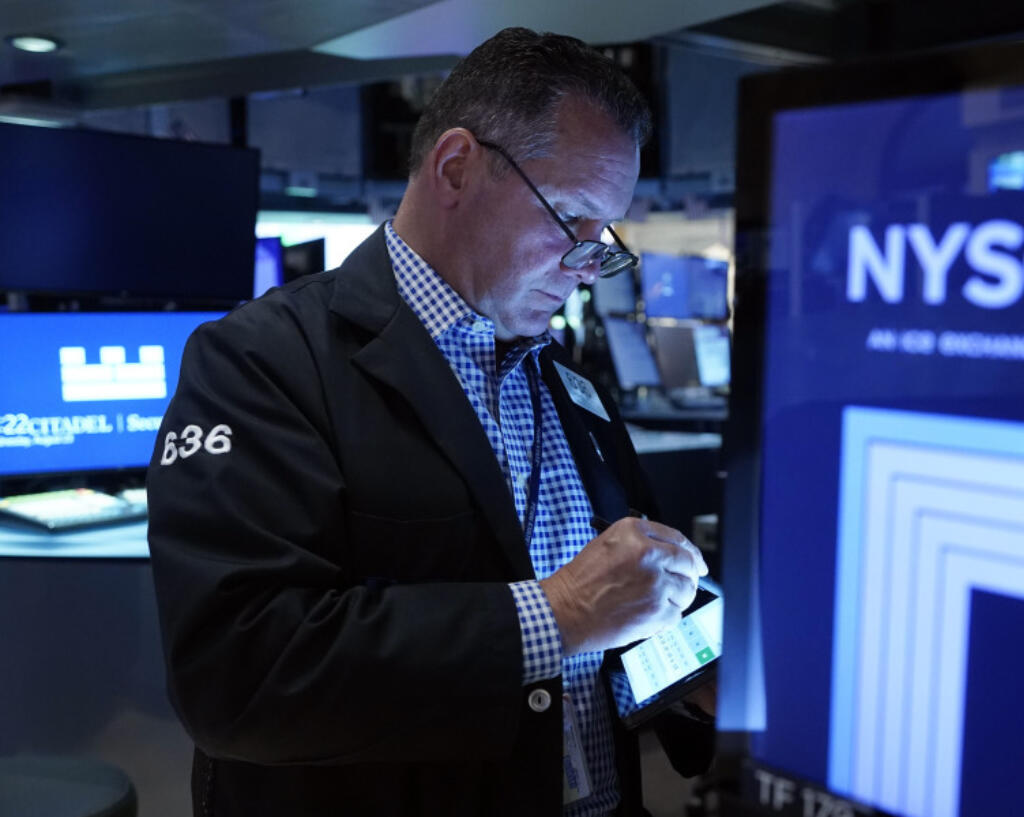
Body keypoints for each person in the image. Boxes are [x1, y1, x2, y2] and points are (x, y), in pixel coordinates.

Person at [147, 27, 714, 817]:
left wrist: (700, 668)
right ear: (456, 167)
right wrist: (557, 614)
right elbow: (239, 675)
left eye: (604, 242)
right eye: (570, 220)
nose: (587, 270)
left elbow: (619, 617)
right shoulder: (262, 361)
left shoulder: (569, 385)